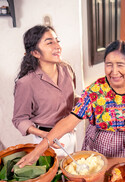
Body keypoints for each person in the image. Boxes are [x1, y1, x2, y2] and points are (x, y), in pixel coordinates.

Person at [17, 40, 125, 167]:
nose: (114, 71)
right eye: (109, 65)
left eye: (120, 65)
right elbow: (69, 121)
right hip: (102, 151)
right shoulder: (95, 90)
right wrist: (37, 151)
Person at [12, 25, 78, 156]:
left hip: (71, 132)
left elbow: (70, 98)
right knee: (56, 175)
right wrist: (45, 136)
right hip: (47, 139)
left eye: (57, 41)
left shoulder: (67, 69)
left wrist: (87, 101)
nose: (57, 46)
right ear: (35, 53)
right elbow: (19, 119)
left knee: (73, 171)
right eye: (49, 43)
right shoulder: (26, 83)